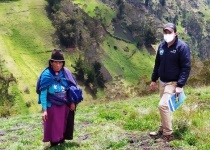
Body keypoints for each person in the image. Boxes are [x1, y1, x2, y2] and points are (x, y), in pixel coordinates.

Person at [149, 23, 191, 142]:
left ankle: (168, 135)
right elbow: (157, 64)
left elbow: (186, 67)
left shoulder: (182, 47)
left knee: (163, 105)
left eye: (169, 32)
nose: (167, 35)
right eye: (165, 32)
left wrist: (180, 85)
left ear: (175, 33)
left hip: (173, 82)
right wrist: (153, 79)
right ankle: (162, 129)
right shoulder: (162, 46)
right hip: (162, 81)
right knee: (164, 107)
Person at [36, 49, 78, 147]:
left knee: (64, 123)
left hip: (64, 104)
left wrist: (72, 102)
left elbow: (71, 89)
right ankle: (54, 142)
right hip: (52, 104)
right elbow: (43, 94)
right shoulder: (46, 75)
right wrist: (45, 110)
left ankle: (62, 139)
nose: (58, 65)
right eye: (56, 62)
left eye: (60, 63)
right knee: (54, 125)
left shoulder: (65, 73)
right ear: (51, 62)